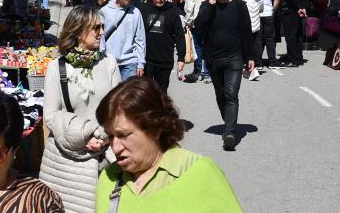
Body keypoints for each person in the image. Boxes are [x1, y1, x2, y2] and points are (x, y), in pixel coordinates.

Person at [94, 78, 242, 212]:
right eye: (111, 136)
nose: (115, 147)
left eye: (124, 135)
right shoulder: (109, 178)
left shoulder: (201, 173)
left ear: (155, 129)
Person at [39, 6, 120, 212]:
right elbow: (50, 116)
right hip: (71, 160)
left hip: (106, 153)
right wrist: (84, 137)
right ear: (77, 31)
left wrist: (105, 137)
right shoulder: (56, 68)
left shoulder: (108, 62)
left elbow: (119, 107)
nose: (101, 32)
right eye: (96, 28)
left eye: (102, 27)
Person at [193, 0, 255, 150]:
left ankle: (229, 132)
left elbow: (246, 32)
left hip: (234, 58)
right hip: (213, 58)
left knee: (231, 95)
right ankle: (229, 121)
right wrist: (210, 7)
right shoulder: (207, 6)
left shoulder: (240, 6)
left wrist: (250, 56)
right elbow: (199, 26)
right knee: (221, 95)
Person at [139, 0, 187, 91]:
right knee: (146, 93)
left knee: (161, 93)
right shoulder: (143, 9)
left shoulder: (173, 10)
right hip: (146, 59)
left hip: (165, 59)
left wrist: (181, 57)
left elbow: (180, 35)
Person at [100, 0, 147, 81]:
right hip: (109, 61)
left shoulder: (136, 12)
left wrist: (140, 63)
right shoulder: (105, 11)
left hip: (130, 63)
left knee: (129, 95)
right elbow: (100, 37)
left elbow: (140, 39)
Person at [183, 0, 214, 83]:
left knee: (197, 46)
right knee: (208, 45)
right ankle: (207, 72)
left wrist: (189, 20)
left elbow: (190, 4)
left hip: (198, 20)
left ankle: (198, 71)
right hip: (211, 20)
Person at [277, 0, 307, 67]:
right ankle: (298, 56)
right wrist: (302, 7)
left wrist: (298, 7)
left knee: (290, 36)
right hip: (297, 11)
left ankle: (293, 59)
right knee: (297, 35)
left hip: (289, 12)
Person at [235, 0, 263, 78]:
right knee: (255, 44)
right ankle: (257, 64)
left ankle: (248, 66)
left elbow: (237, 10)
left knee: (244, 45)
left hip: (244, 23)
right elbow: (261, 8)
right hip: (255, 21)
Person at [252, 0, 279, 67]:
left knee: (257, 38)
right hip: (268, 12)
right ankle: (272, 60)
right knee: (270, 38)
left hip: (256, 12)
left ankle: (258, 62)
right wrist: (273, 9)